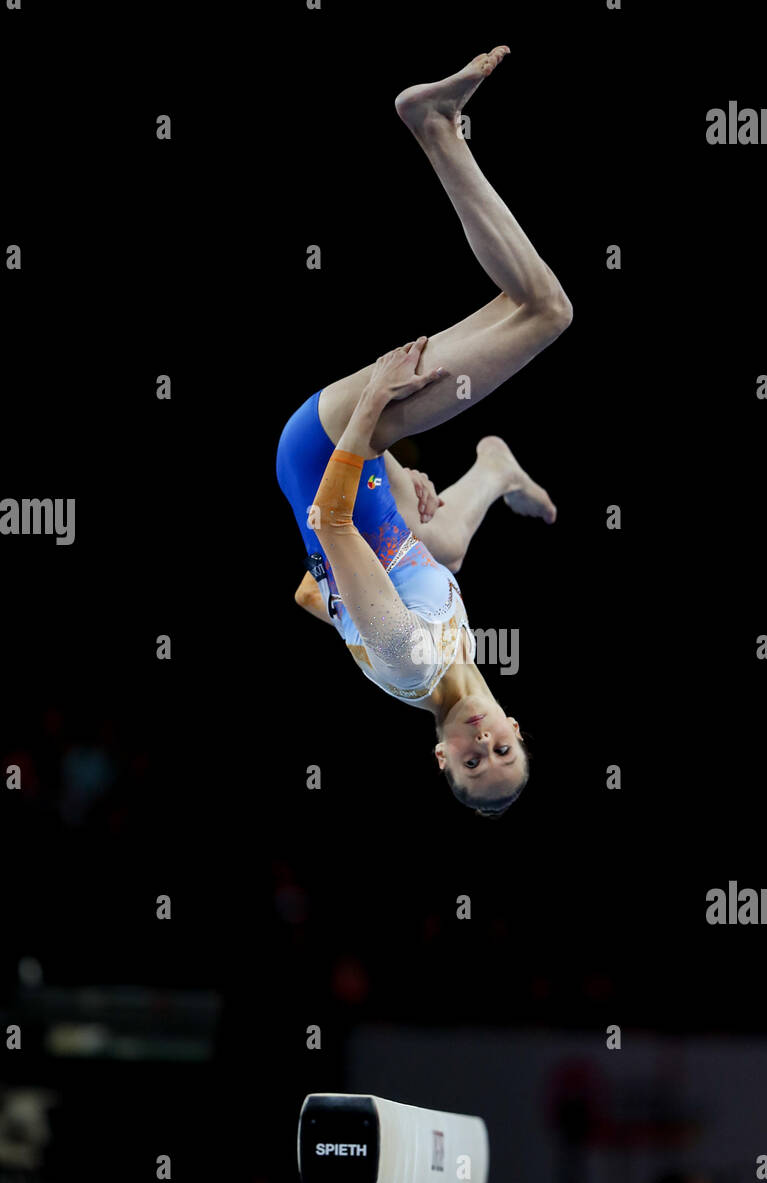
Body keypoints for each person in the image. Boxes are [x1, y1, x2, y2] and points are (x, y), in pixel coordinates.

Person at [277, 47, 571, 815]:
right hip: (355, 476)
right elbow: (312, 590)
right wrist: (398, 531)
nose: (484, 744)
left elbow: (327, 521)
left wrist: (374, 408)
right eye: (502, 751)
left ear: (440, 757)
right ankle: (495, 467)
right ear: (514, 727)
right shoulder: (452, 660)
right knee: (445, 549)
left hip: (330, 446)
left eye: (471, 763)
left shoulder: (413, 662)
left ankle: (435, 126)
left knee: (544, 312)